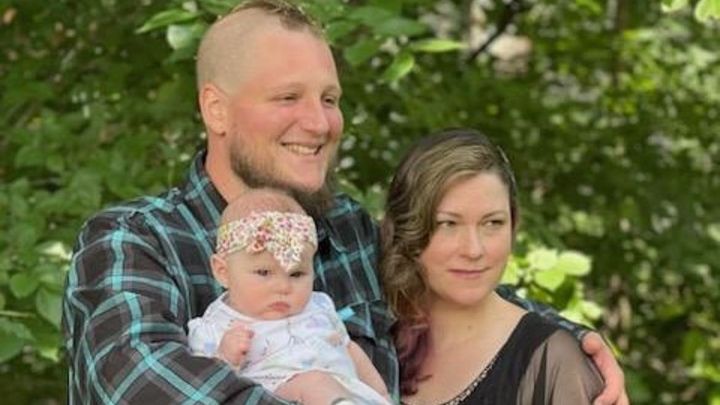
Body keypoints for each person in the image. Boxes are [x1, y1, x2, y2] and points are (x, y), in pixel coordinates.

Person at [62, 0, 627, 403]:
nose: (319, 122)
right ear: (216, 109)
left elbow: (446, 285)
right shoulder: (136, 241)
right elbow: (139, 384)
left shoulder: (345, 230)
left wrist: (565, 335)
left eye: (329, 98)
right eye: (289, 96)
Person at [382, 129, 605, 404]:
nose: (474, 250)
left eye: (492, 223)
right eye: (448, 224)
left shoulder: (554, 362)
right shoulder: (371, 338)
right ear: (405, 228)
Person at [187, 188, 390, 404]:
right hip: (280, 396)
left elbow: (349, 349)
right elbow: (208, 387)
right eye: (264, 272)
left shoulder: (319, 307)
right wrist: (224, 357)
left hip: (348, 395)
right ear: (223, 272)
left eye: (296, 274)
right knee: (314, 383)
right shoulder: (215, 327)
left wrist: (383, 395)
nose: (283, 287)